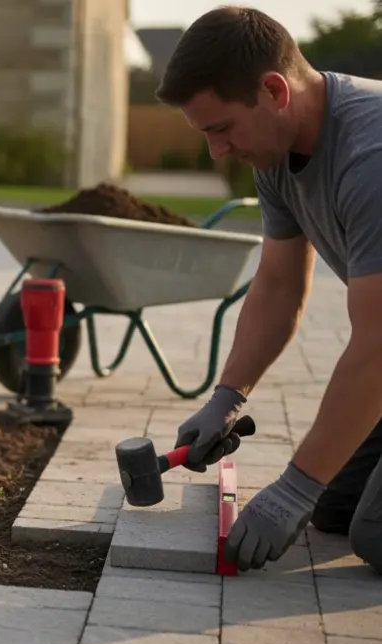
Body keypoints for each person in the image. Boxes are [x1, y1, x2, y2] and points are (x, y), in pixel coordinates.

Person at [154, 5, 382, 572]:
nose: (217, 151)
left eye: (221, 129)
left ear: (275, 90)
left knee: (373, 533)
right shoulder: (275, 151)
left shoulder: (371, 159)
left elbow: (379, 343)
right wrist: (228, 396)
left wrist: (293, 487)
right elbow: (280, 285)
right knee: (332, 507)